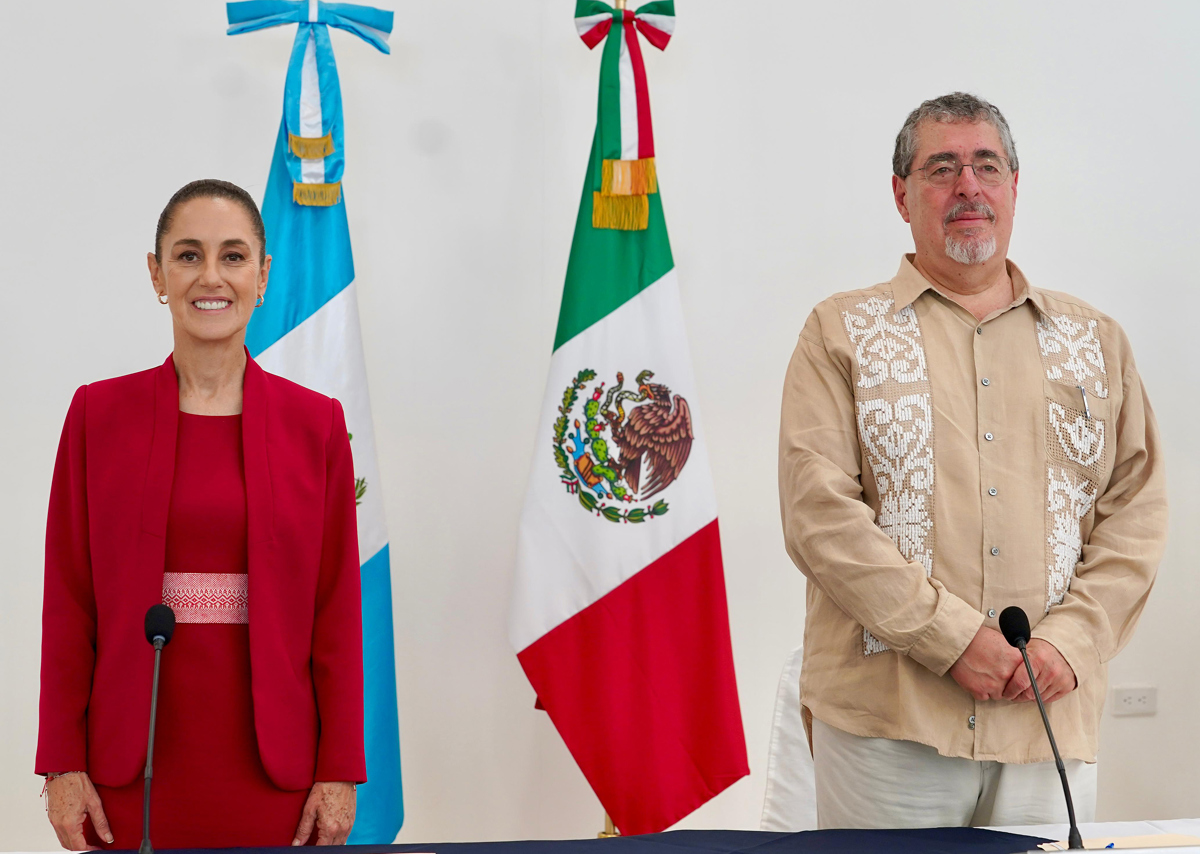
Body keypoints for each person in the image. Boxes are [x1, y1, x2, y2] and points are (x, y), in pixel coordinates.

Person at [778, 93, 1167, 828]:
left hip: (1046, 718)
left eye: (987, 166)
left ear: (1015, 186)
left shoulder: (1096, 340)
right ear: (901, 195)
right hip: (888, 727)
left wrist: (1071, 641)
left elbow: (1136, 513)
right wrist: (950, 639)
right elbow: (818, 515)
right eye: (942, 168)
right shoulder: (840, 332)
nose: (968, 186)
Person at [36, 179, 366, 849]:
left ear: (263, 275)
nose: (210, 276)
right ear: (156, 273)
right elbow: (67, 601)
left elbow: (336, 608)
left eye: (233, 256)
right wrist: (62, 763)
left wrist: (339, 769)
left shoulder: (317, 425)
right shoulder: (98, 416)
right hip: (130, 770)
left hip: (277, 775)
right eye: (188, 255)